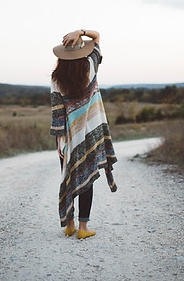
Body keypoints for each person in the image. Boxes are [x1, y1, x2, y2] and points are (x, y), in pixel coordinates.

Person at [50, 29, 117, 239]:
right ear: (82, 52)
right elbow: (97, 37)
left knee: (69, 175)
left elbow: (57, 112)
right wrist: (81, 31)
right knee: (87, 175)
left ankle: (69, 224)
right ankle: (83, 228)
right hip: (91, 133)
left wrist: (60, 140)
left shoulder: (56, 78)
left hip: (68, 136)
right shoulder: (90, 66)